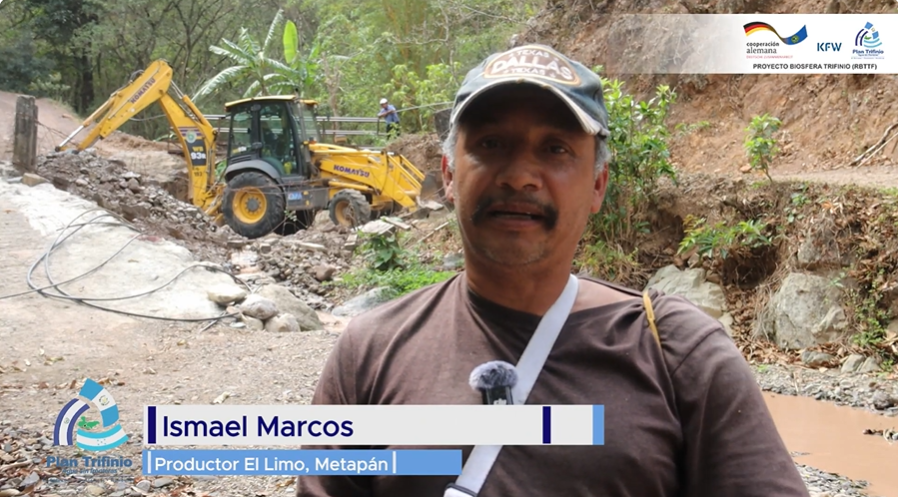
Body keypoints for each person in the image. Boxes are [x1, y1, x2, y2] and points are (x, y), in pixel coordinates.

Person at [296, 44, 810, 497]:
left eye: (556, 149)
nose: (520, 175)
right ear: (450, 174)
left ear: (597, 185)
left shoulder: (678, 355)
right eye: (491, 144)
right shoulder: (369, 352)